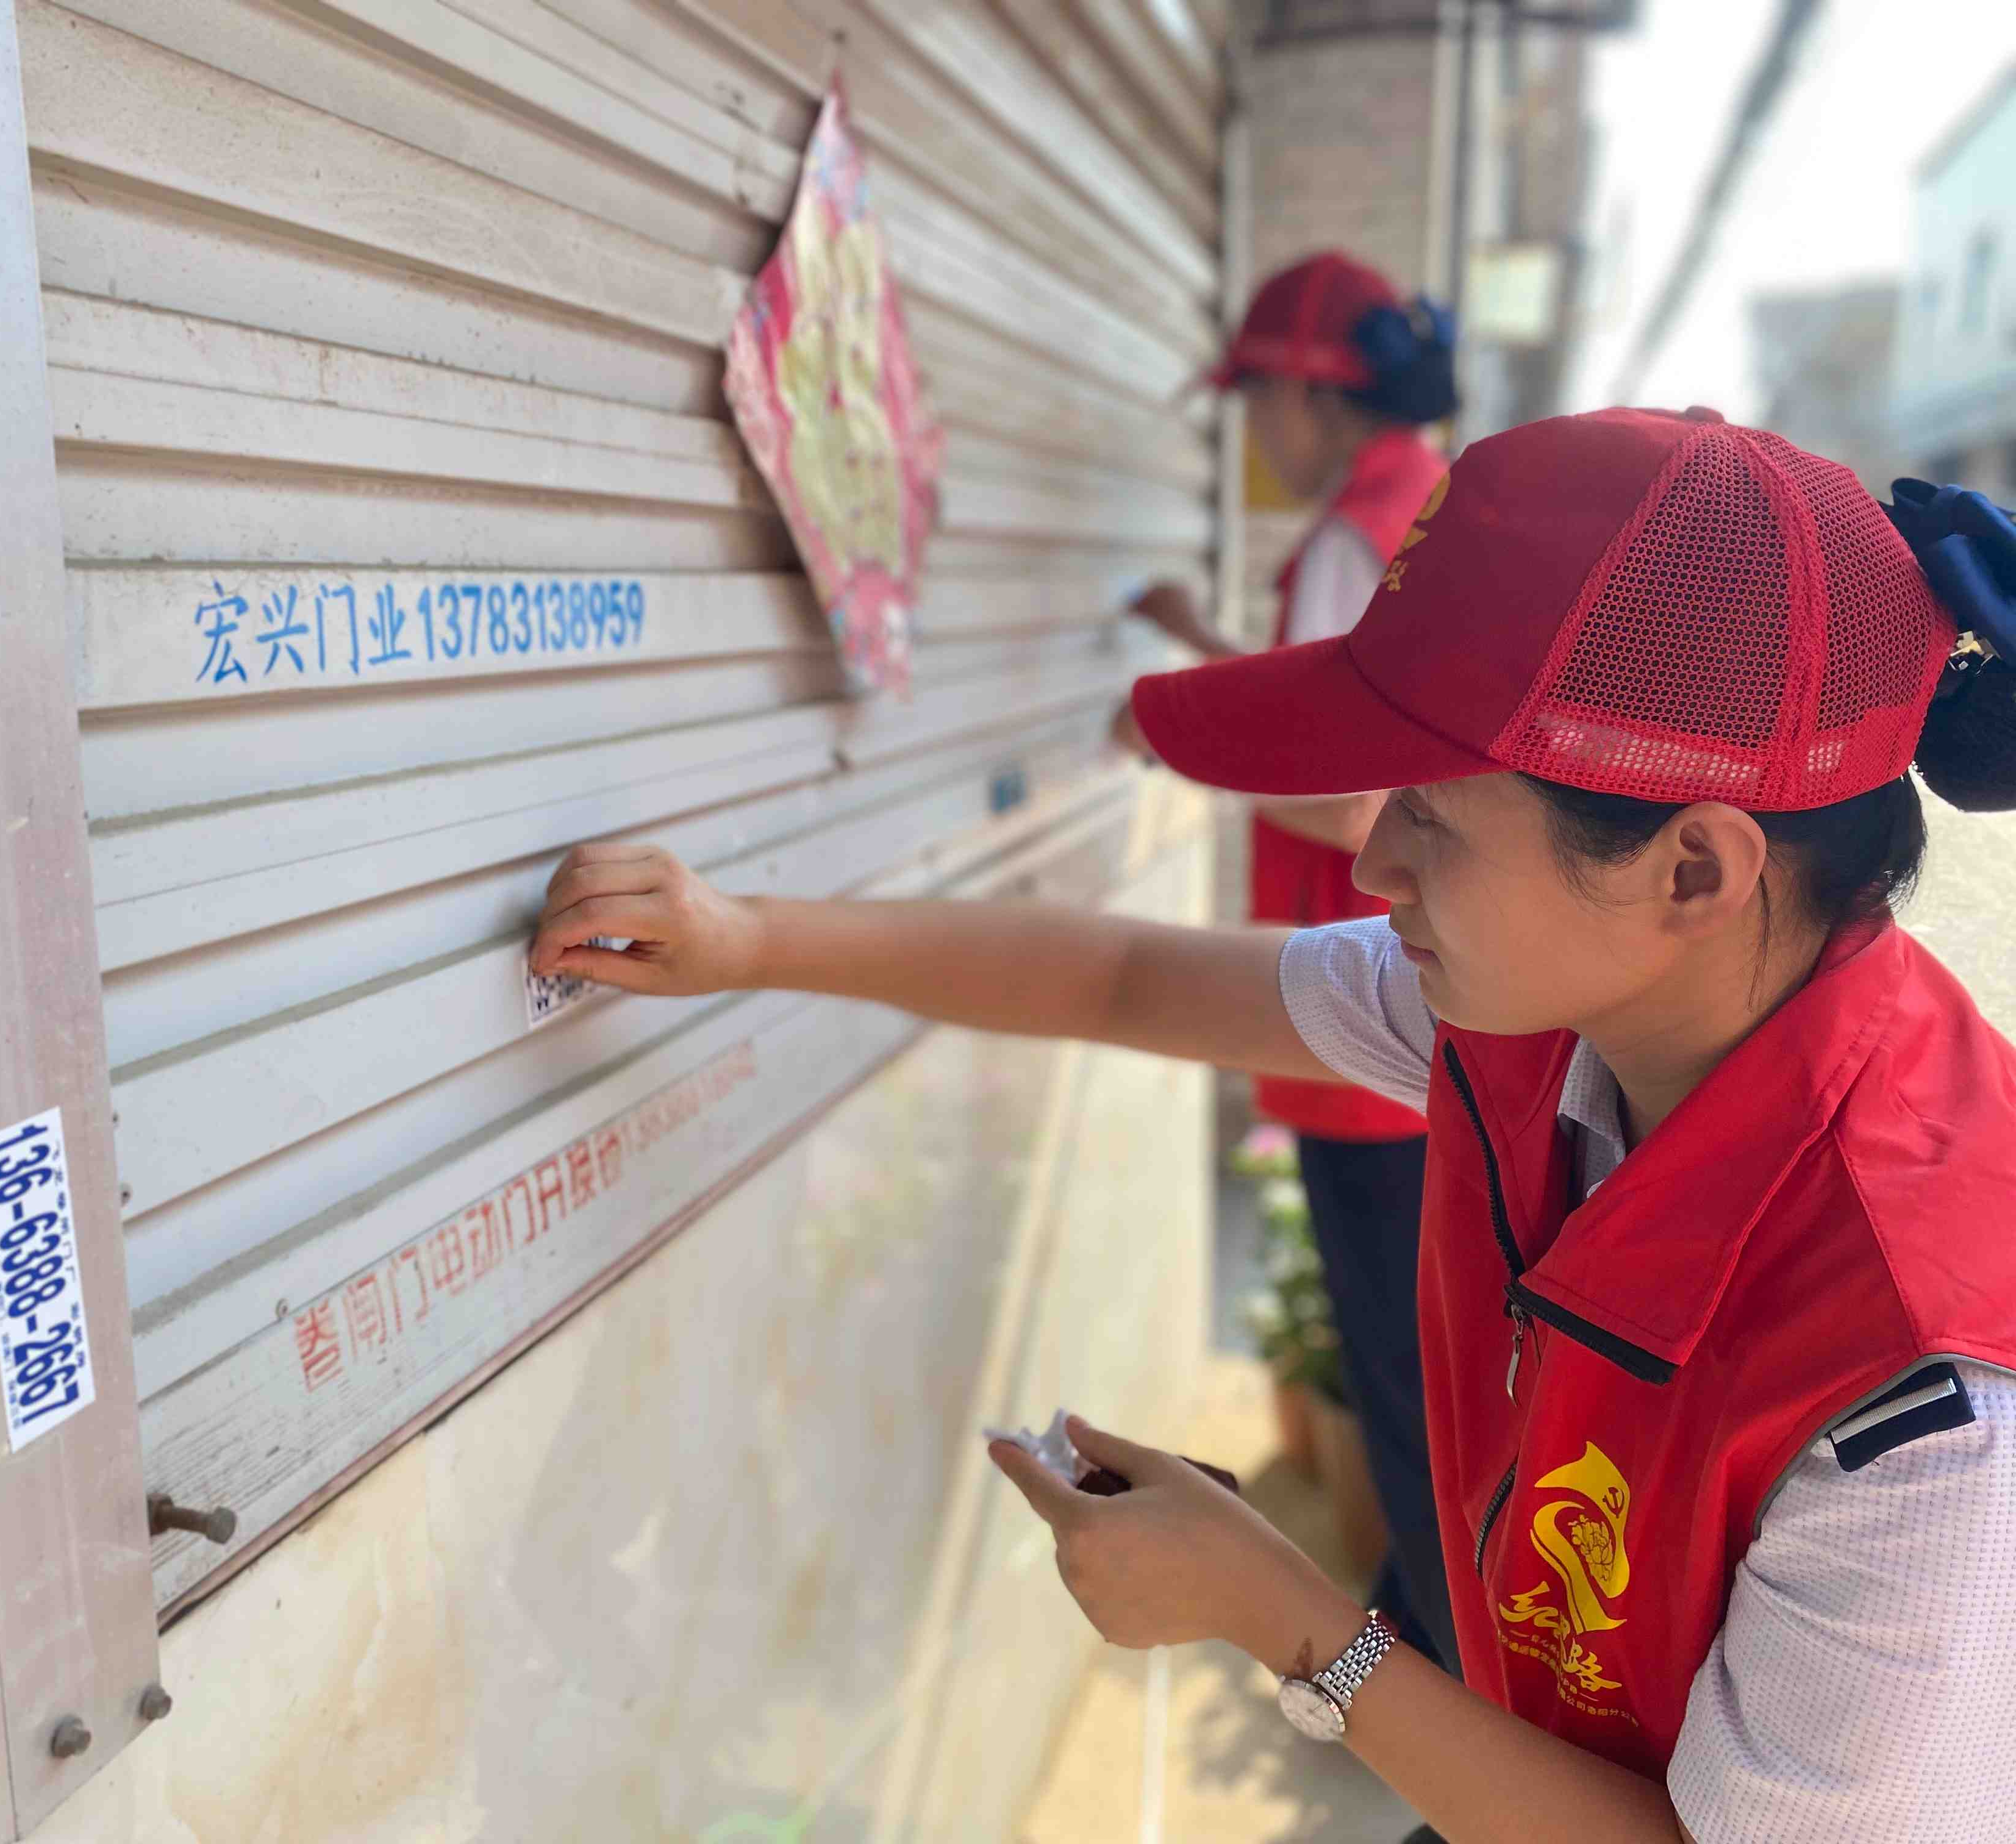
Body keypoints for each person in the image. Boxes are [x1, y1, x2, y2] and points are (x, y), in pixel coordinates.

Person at [528, 407, 2016, 1842]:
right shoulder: (1566, 1014)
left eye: (1432, 809)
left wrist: (1285, 1617)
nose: (1374, 862)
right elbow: (1124, 977)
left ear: (1693, 870)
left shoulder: (1928, 1400)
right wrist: (747, 938)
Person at [1120, 248, 1465, 1674]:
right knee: (1427, 1352)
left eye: (1260, 399)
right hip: (1432, 993)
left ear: (1319, 396)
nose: (1255, 432)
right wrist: (1208, 659)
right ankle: (1431, 1614)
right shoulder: (1427, 506)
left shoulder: (1344, 539)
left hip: (1353, 1012)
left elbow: (1347, 797)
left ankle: (1428, 1659)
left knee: (1397, 1362)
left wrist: (1183, 723)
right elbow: (1345, 722)